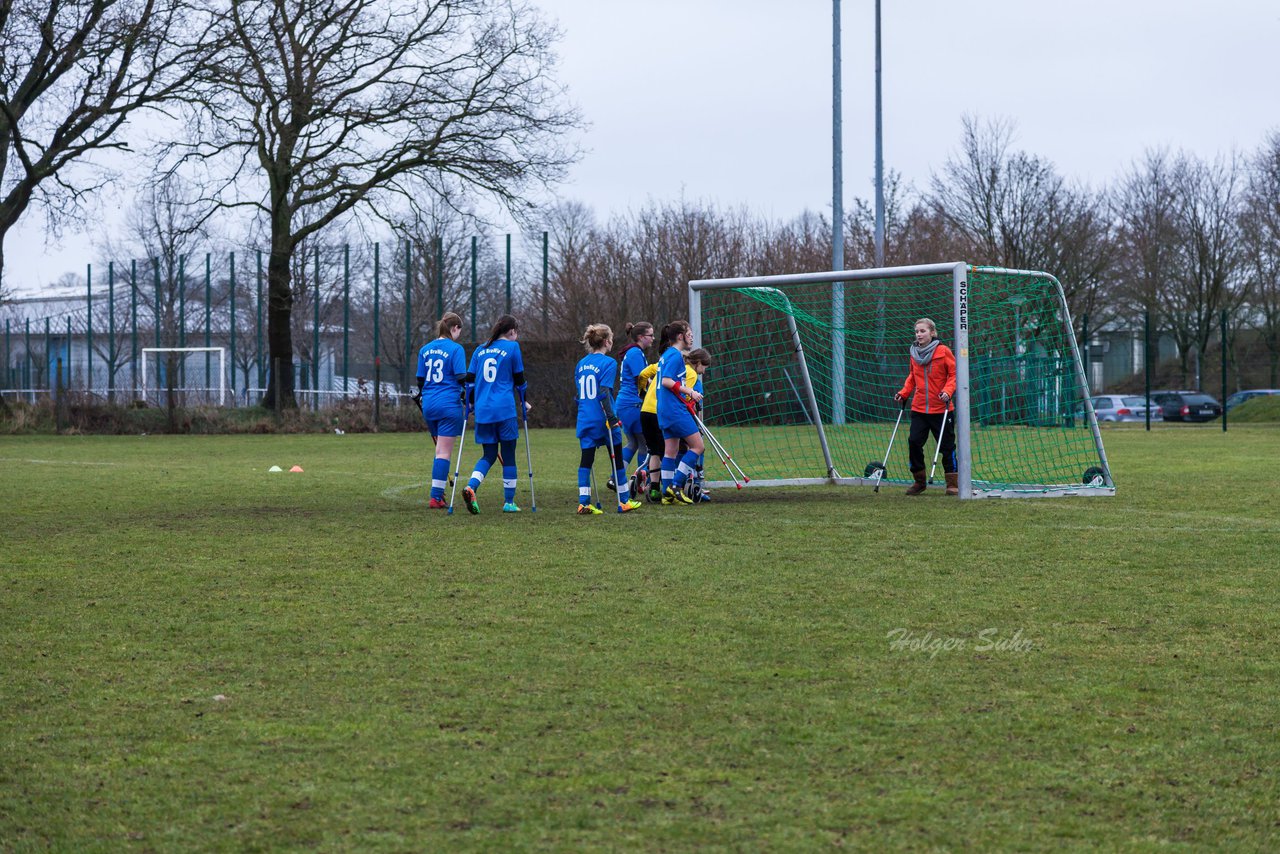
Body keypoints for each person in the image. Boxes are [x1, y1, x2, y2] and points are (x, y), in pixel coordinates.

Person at [461, 315, 530, 514]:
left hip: (483, 411)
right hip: (504, 409)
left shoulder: (479, 350)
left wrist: (471, 403)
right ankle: (509, 502)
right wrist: (524, 400)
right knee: (508, 455)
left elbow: (470, 381)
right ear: (512, 331)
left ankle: (471, 487)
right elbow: (519, 379)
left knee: (489, 454)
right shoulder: (513, 348)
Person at [574, 324, 642, 515]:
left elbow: (578, 396)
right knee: (617, 459)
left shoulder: (580, 364)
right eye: (611, 338)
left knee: (586, 460)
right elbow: (604, 392)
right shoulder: (609, 363)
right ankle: (624, 501)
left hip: (585, 417)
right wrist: (612, 418)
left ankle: (584, 502)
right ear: (606, 341)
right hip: (603, 418)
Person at [894, 317, 958, 496]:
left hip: (942, 409)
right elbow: (912, 377)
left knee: (947, 446)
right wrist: (904, 393)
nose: (919, 334)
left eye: (922, 331)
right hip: (919, 408)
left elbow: (954, 374)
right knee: (914, 442)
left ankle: (952, 483)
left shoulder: (943, 351)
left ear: (932, 333)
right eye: (916, 332)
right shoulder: (914, 353)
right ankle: (919, 481)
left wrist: (947, 391)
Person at [415, 312, 467, 509]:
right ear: (455, 329)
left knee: (439, 450)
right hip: (448, 404)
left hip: (429, 404)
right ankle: (436, 496)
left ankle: (438, 494)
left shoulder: (425, 349)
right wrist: (471, 397)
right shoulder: (456, 349)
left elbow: (420, 381)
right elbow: (462, 377)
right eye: (459, 331)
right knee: (443, 452)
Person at [656, 320, 704, 505]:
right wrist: (690, 392)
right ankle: (676, 486)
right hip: (674, 410)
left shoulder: (667, 354)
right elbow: (667, 382)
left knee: (671, 451)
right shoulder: (675, 355)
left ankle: (666, 494)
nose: (691, 336)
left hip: (665, 409)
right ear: (679, 336)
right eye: (689, 333)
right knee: (698, 447)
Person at [610, 321, 655, 495]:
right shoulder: (635, 353)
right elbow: (642, 380)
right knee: (645, 444)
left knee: (634, 442)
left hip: (625, 404)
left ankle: (615, 477)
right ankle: (639, 480)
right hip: (632, 404)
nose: (653, 338)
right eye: (650, 335)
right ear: (641, 337)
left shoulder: (633, 352)